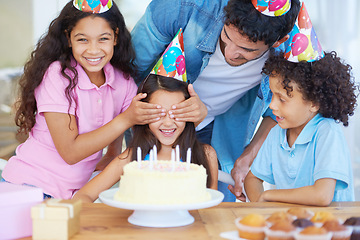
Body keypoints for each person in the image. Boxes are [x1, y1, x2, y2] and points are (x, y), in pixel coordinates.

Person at [130, 0, 301, 201]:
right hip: (152, 119)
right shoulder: (180, 7)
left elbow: (279, 111)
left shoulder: (297, 48)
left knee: (212, 207)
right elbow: (126, 76)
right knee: (151, 197)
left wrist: (247, 158)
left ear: (278, 42)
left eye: (246, 49)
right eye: (227, 36)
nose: (230, 52)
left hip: (221, 128)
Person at [1, 0, 164, 199]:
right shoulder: (57, 76)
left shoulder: (123, 82)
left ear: (116, 37)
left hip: (73, 196)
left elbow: (114, 151)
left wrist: (109, 158)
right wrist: (125, 119)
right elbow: (70, 152)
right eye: (82, 40)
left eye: (103, 38)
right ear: (68, 39)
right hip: (28, 187)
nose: (93, 50)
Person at [73, 74, 219, 203]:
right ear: (144, 114)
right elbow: (83, 195)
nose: (168, 122)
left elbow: (209, 207)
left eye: (176, 113)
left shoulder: (206, 155)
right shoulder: (133, 157)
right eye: (158, 113)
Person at [244, 47, 357, 205]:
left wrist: (270, 196)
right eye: (272, 95)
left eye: (282, 99)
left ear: (313, 103)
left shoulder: (327, 132)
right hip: (293, 225)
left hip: (331, 225)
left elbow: (322, 195)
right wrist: (264, 207)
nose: (272, 105)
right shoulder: (277, 132)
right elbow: (252, 179)